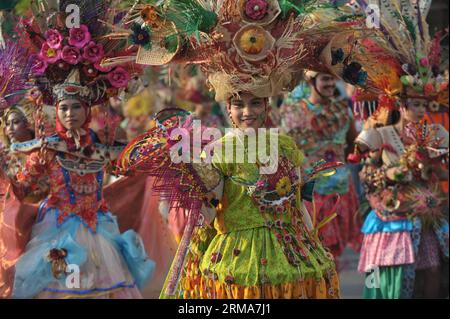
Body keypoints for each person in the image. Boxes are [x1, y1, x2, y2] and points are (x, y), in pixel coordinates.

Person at [351, 0, 449, 298]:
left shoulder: (435, 131)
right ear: (402, 105)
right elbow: (364, 163)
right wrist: (394, 171)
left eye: (422, 104)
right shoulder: (383, 133)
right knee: (391, 277)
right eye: (412, 105)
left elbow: (441, 162)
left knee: (431, 273)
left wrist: (429, 164)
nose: (418, 110)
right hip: (392, 215)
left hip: (426, 214)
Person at [279, 71, 363, 264]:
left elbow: (352, 144)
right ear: (311, 80)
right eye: (326, 78)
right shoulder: (294, 111)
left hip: (339, 192)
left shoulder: (343, 110)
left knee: (333, 255)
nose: (331, 83)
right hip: (309, 193)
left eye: (333, 78)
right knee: (311, 251)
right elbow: (285, 150)